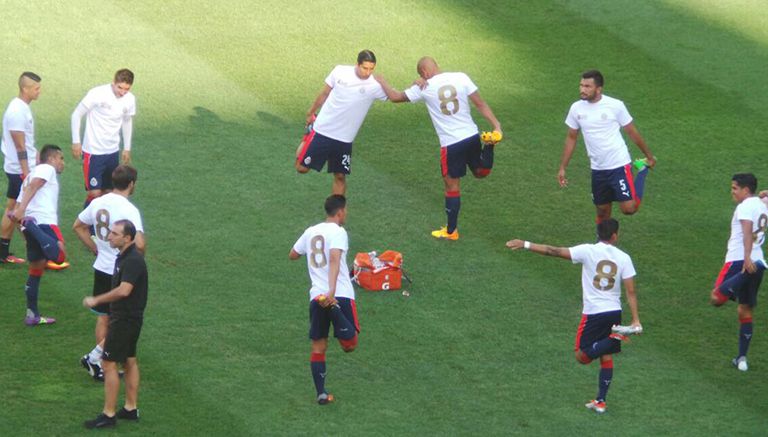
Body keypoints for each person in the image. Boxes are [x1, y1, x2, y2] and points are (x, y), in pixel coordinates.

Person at [506, 218, 641, 414]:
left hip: (594, 312)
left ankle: (616, 337)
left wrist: (525, 244)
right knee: (605, 355)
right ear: (615, 236)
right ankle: (601, 401)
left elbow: (553, 251)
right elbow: (631, 292)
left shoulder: (587, 251)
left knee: (582, 355)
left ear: (598, 234)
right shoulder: (624, 258)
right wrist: (635, 320)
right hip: (614, 311)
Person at [375, 57, 502, 240]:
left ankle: (451, 231)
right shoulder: (461, 77)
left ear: (425, 73)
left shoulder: (425, 87)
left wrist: (382, 82)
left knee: (451, 185)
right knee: (481, 171)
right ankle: (489, 145)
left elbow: (395, 97)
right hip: (471, 135)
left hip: (451, 144)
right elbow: (480, 104)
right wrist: (496, 125)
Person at [73, 165, 145, 381]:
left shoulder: (98, 202)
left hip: (101, 266)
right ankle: (100, 359)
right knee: (121, 320)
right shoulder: (129, 210)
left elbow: (78, 226)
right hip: (121, 269)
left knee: (104, 317)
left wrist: (95, 248)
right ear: (131, 184)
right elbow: (139, 243)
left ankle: (104, 364)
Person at [558, 70, 656, 223]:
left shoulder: (615, 106)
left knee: (629, 208)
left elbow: (632, 133)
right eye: (581, 85)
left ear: (598, 89)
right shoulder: (576, 108)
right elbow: (571, 138)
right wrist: (563, 167)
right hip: (597, 168)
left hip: (619, 163)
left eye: (587, 86)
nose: (582, 90)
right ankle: (602, 243)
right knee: (603, 211)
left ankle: (642, 170)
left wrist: (649, 156)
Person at [289, 194, 359, 405]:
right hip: (339, 294)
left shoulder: (311, 232)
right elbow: (335, 259)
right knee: (350, 344)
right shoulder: (338, 232)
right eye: (345, 211)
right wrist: (332, 291)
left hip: (316, 296)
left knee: (318, 346)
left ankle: (321, 393)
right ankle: (334, 309)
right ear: (340, 212)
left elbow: (293, 254)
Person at [83, 220, 148, 429]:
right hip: (128, 318)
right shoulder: (123, 257)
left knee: (108, 364)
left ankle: (108, 414)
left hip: (125, 320)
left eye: (114, 233)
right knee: (129, 361)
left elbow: (124, 290)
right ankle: (130, 408)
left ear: (127, 238)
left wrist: (97, 299)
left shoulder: (132, 261)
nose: (109, 236)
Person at [295, 50, 387, 195]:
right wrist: (311, 112)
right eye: (365, 68)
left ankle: (337, 213)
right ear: (357, 64)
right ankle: (308, 135)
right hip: (323, 131)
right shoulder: (340, 72)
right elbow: (324, 93)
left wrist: (416, 85)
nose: (368, 72)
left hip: (344, 139)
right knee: (301, 168)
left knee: (340, 176)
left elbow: (397, 97)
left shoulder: (375, 85)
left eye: (371, 69)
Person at [709, 173, 768, 372]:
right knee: (745, 309)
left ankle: (746, 274)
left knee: (716, 297)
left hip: (740, 260)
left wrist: (747, 258)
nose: (732, 192)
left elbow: (747, 229)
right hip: (758, 261)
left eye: (735, 188)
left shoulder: (745, 207)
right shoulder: (762, 204)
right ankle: (742, 358)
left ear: (745, 189)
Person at [10, 144, 66, 326]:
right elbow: (35, 186)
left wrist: (25, 234)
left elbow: (17, 209)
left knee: (36, 268)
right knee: (59, 256)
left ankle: (32, 314)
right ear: (51, 159)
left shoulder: (28, 177)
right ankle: (31, 226)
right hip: (43, 222)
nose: (62, 163)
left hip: (29, 223)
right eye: (61, 158)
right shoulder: (45, 169)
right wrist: (27, 221)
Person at [71, 69, 136, 208]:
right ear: (113, 83)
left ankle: (102, 227)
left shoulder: (130, 99)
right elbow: (76, 114)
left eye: (126, 89)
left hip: (112, 152)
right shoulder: (97, 93)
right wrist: (76, 142)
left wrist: (127, 148)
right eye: (120, 87)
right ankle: (85, 224)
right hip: (93, 152)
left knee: (109, 192)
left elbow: (127, 121)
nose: (122, 92)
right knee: (94, 193)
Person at [1, 72, 41, 264]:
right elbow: (20, 146)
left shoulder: (22, 107)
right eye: (36, 88)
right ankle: (37, 249)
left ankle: (4, 253)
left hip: (21, 167)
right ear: (25, 89)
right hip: (19, 169)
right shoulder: (17, 111)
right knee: (16, 209)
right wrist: (26, 172)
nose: (39, 91)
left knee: (15, 208)